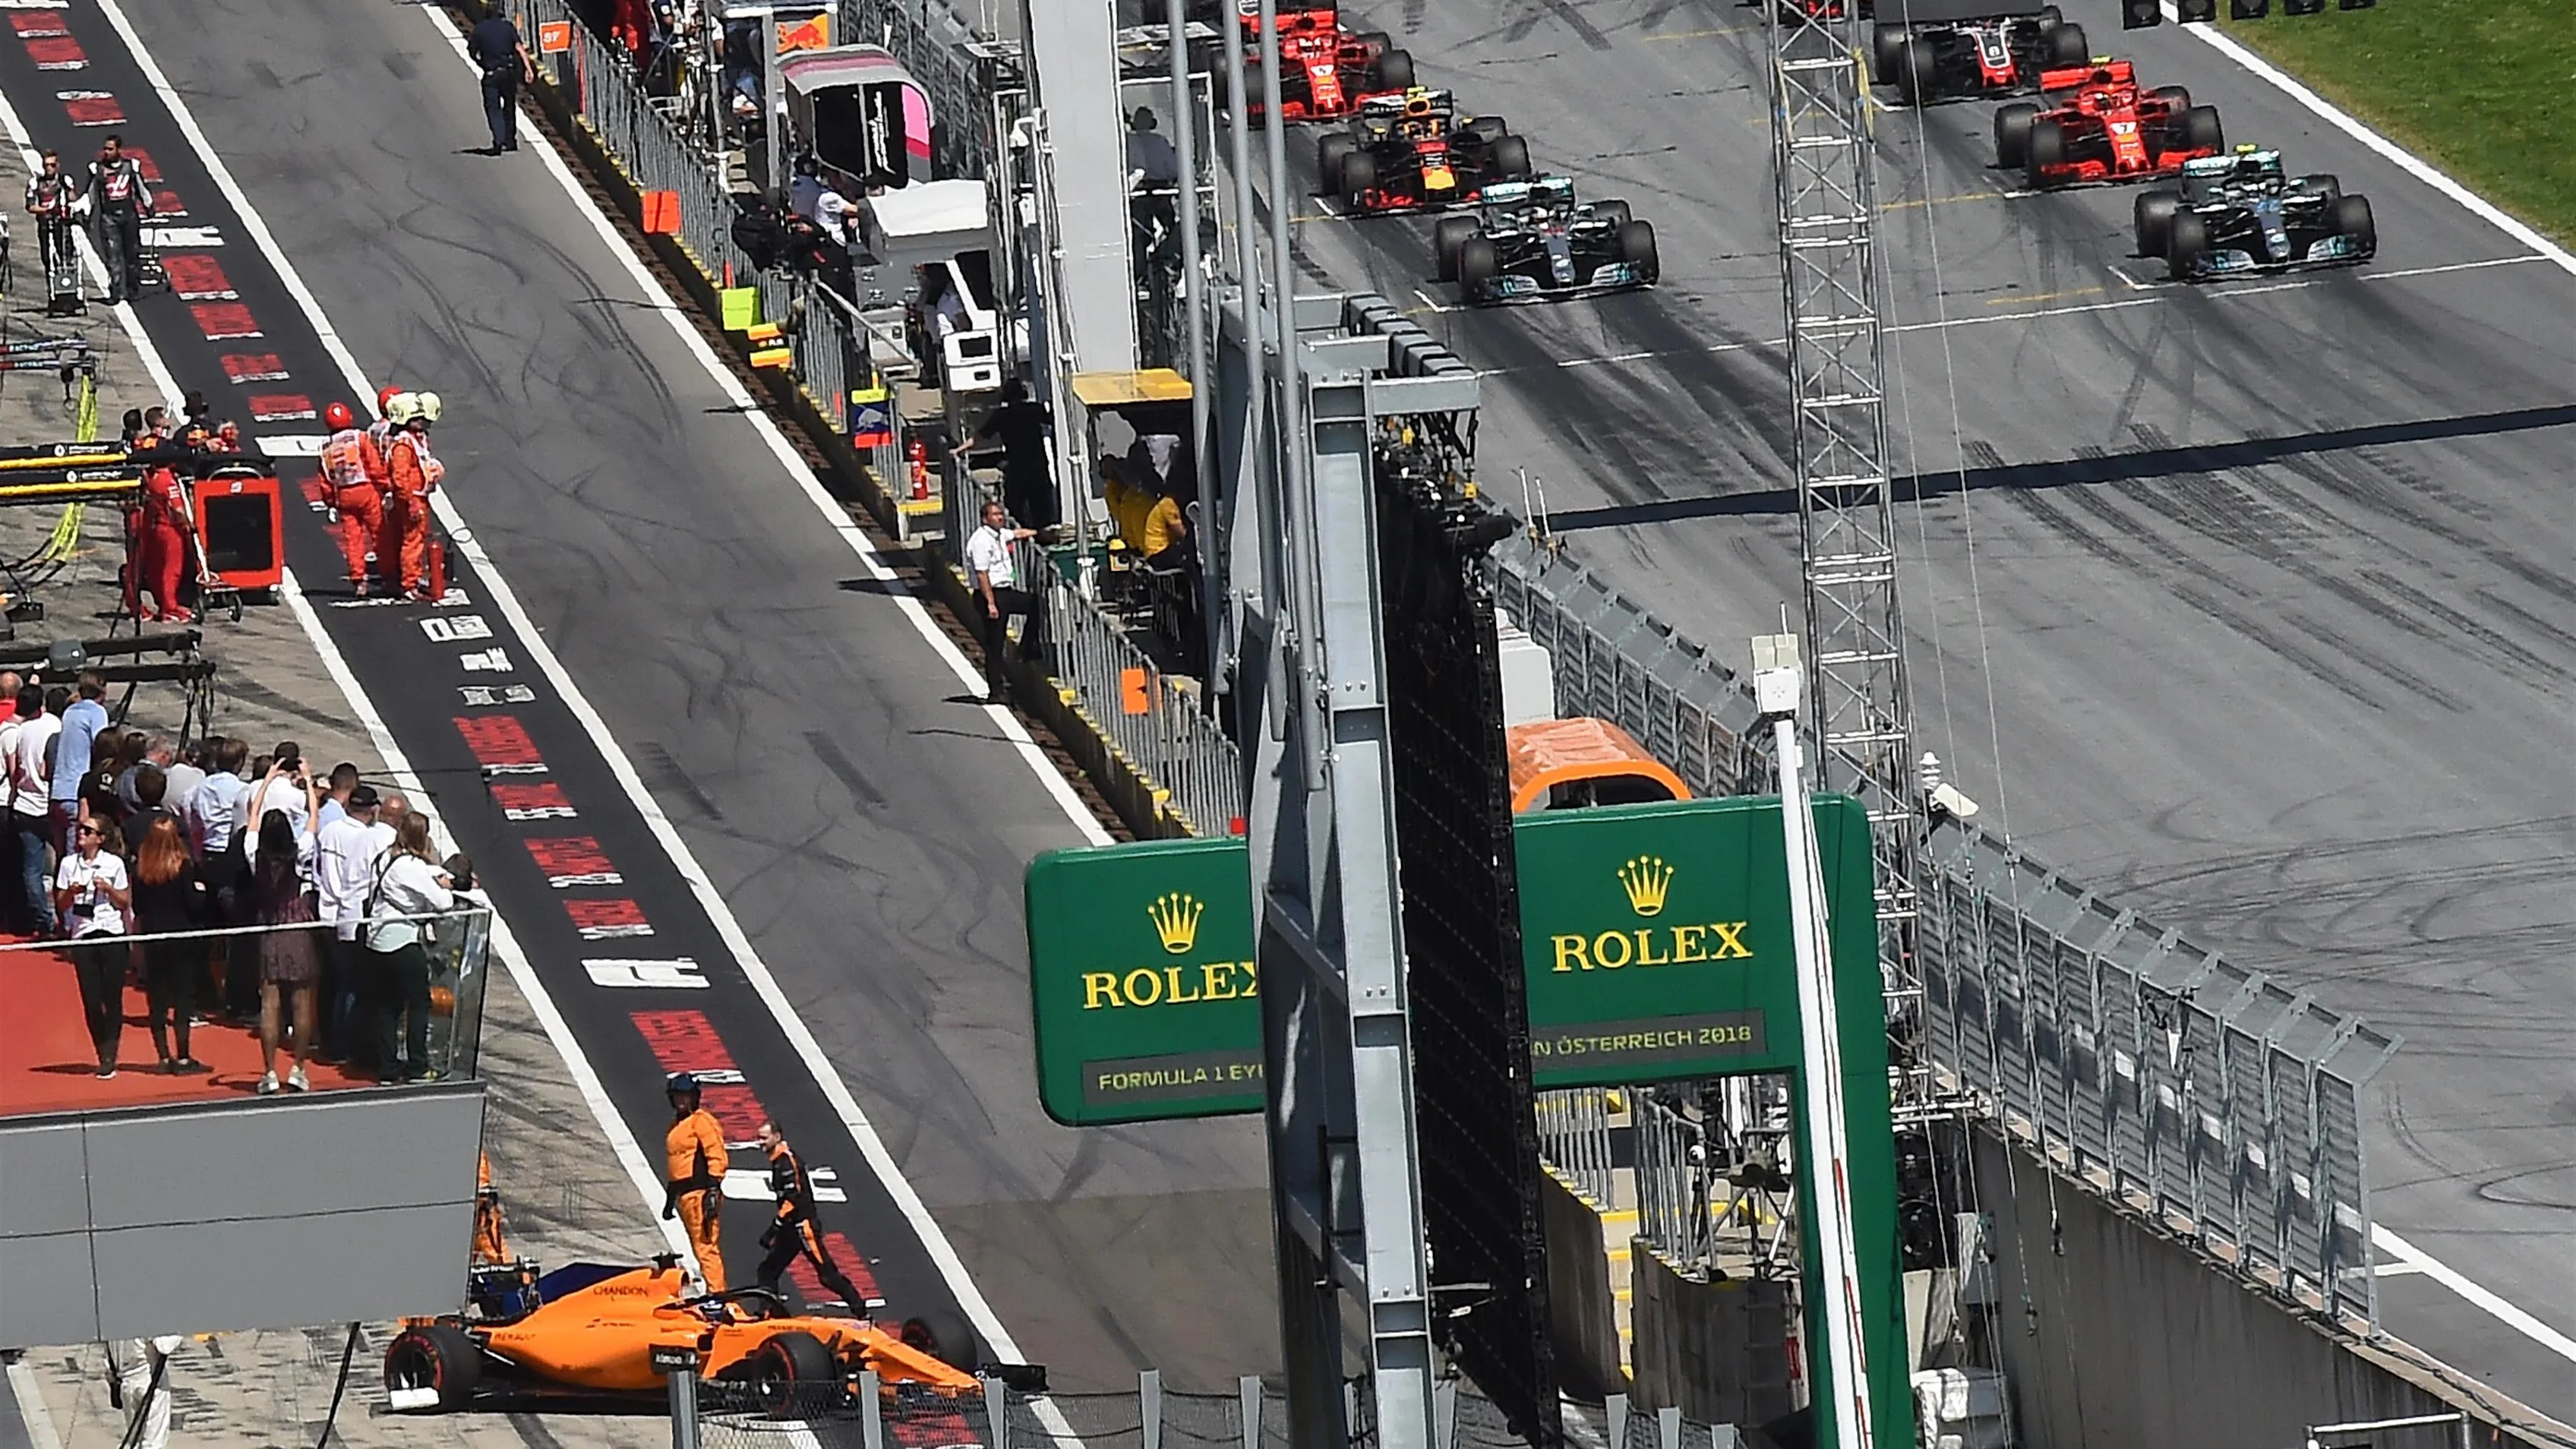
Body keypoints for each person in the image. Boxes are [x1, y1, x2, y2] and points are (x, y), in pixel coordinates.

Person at [361, 809, 450, 1083]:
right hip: (401, 942)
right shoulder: (411, 866)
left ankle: (387, 1067)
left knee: (387, 1006)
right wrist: (444, 885)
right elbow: (443, 903)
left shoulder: (384, 858)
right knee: (419, 1003)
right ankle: (418, 1066)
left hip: (376, 940)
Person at [754, 1121, 866, 1311]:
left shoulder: (787, 1162)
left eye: (764, 1138)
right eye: (759, 1138)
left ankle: (862, 1313)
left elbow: (793, 1198)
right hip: (790, 1228)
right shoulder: (778, 1161)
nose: (760, 1142)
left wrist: (774, 1228)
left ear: (777, 1137)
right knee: (767, 1270)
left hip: (803, 1228)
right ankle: (769, 1314)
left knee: (828, 1277)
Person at [248, 810, 321, 1094]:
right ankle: (299, 1068)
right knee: (302, 1004)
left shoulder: (255, 856)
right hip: (299, 931)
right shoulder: (300, 853)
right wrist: (309, 789)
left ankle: (269, 1071)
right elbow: (312, 823)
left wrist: (266, 782)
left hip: (270, 930)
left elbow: (252, 821)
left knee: (270, 1005)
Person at [129, 816, 207, 1074]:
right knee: (184, 998)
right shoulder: (183, 867)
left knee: (158, 999)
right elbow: (193, 905)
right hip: (181, 937)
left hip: (154, 937)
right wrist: (202, 892)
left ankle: (163, 1057)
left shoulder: (142, 870)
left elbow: (138, 907)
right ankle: (183, 1057)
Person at [56, 817, 131, 1078]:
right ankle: (101, 1048)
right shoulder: (68, 864)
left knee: (112, 997)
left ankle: (111, 1053)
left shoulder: (114, 864)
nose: (82, 834)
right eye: (81, 829)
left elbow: (124, 902)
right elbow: (61, 904)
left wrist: (108, 888)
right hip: (83, 934)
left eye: (88, 831)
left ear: (101, 838)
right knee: (91, 998)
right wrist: (72, 892)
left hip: (111, 932)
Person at [964, 500, 1040, 705]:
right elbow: (982, 575)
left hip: (1005, 592)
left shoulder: (999, 535)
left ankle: (1026, 647)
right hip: (991, 594)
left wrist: (1040, 533)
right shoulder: (980, 541)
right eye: (995, 514)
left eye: (1001, 514)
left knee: (1036, 604)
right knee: (995, 644)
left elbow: (1017, 534)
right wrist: (990, 603)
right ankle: (995, 691)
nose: (1000, 517)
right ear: (985, 518)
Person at [664, 1073, 730, 1290]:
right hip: (686, 1196)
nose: (682, 1101)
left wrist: (713, 1188)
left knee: (706, 1247)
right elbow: (677, 1164)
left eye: (686, 1096)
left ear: (694, 1097)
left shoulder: (702, 1121)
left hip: (701, 1193)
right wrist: (670, 1199)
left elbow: (716, 1154)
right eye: (678, 1097)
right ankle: (715, 1293)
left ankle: (717, 1296)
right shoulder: (676, 1126)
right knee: (700, 1247)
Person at [318, 402, 385, 597]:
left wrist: (330, 502)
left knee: (353, 539)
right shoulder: (359, 437)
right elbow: (373, 465)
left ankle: (359, 581)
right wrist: (385, 486)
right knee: (379, 534)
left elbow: (324, 480)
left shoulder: (325, 447)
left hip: (343, 496)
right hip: (365, 490)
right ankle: (389, 575)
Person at [386, 393, 447, 601]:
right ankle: (409, 585)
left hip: (417, 497)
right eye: (417, 417)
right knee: (413, 541)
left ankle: (412, 577)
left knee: (416, 539)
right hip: (411, 499)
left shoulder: (414, 440)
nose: (423, 421)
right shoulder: (403, 446)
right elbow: (399, 478)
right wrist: (411, 501)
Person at [11, 686, 62, 935]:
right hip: (47, 803)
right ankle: (58, 917)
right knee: (61, 861)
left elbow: (16, 767)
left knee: (31, 868)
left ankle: (43, 918)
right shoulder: (52, 724)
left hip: (24, 803)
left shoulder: (21, 732)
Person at [970, 379, 1054, 529]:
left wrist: (958, 450)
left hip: (1016, 467)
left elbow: (980, 436)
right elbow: (1052, 422)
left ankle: (1021, 540)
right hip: (1037, 466)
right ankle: (1043, 539)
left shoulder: (1001, 415)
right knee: (1042, 509)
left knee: (1016, 510)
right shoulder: (1034, 409)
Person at [83, 134, 152, 303]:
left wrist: (148, 205)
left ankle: (132, 289)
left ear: (119, 149)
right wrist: (86, 215)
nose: (106, 152)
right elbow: (91, 195)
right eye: (105, 148)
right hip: (109, 219)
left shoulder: (131, 167)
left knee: (132, 256)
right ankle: (115, 292)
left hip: (130, 217)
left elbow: (142, 189)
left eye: (110, 149)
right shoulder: (98, 170)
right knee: (112, 258)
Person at [127, 456, 196, 622]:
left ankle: (163, 605)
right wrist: (189, 524)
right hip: (169, 528)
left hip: (153, 527)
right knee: (172, 570)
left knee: (155, 570)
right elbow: (177, 508)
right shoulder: (168, 481)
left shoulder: (152, 479)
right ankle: (169, 608)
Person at [52, 671, 110, 851]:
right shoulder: (96, 712)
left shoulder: (70, 711)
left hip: (57, 791)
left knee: (60, 853)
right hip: (76, 792)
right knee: (75, 855)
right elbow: (103, 746)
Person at [466, 11, 535, 153]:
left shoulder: (480, 29)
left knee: (493, 108)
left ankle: (498, 139)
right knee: (509, 105)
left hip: (491, 73)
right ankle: (510, 140)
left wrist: (481, 63)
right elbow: (520, 49)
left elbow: (472, 51)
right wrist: (529, 69)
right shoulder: (508, 27)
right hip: (509, 72)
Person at [24, 149, 81, 315]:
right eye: (46, 165)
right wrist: (48, 210)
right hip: (45, 225)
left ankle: (71, 295)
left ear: (58, 166)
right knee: (49, 261)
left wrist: (68, 198)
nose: (49, 168)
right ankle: (54, 296)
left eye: (52, 165)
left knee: (67, 260)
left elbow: (73, 201)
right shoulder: (36, 183)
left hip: (62, 226)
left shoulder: (64, 180)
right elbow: (30, 206)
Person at [106, 1337, 183, 1449]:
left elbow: (107, 1357)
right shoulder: (146, 1321)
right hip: (149, 1378)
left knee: (134, 1439)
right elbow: (165, 1346)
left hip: (126, 1381)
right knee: (153, 1441)